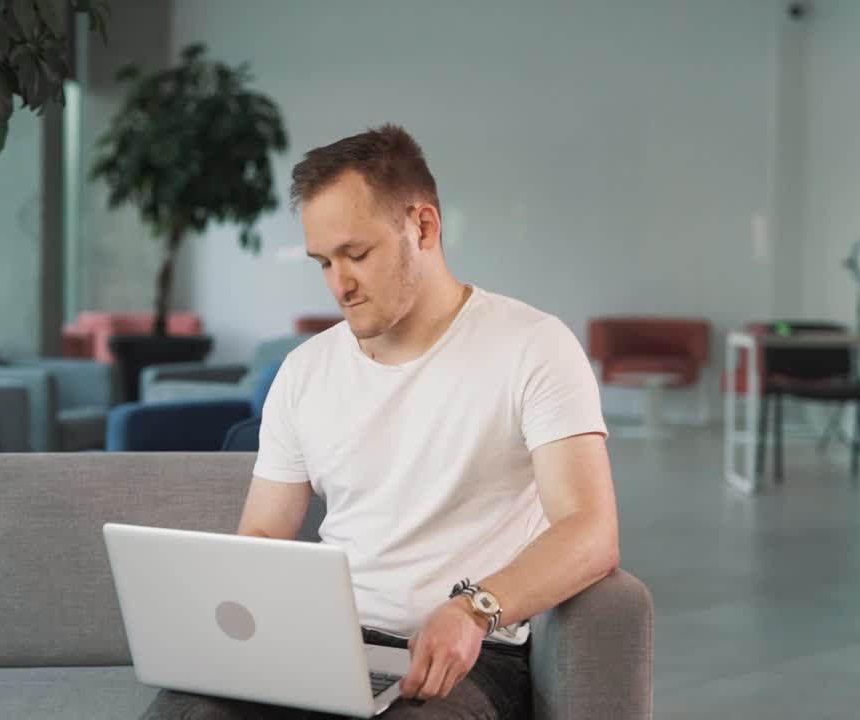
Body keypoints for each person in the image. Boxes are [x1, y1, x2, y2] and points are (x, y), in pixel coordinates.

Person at [142, 124, 619, 719]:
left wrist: (474, 610)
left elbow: (590, 530)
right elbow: (262, 533)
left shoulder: (534, 347)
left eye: (356, 255)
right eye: (323, 262)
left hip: (470, 655)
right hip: (322, 646)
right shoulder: (304, 371)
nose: (339, 284)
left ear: (424, 227)